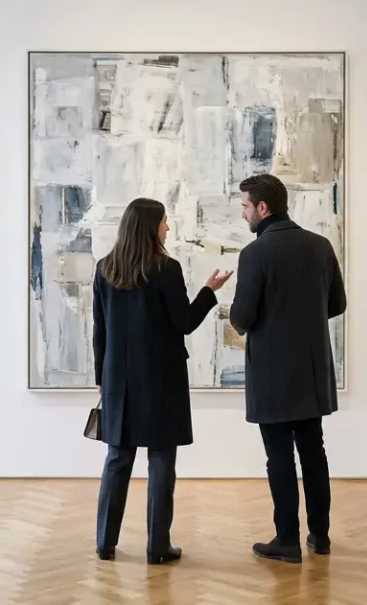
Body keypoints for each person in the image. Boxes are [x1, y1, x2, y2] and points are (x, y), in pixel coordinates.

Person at [91, 197, 232, 564]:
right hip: (161, 378)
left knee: (117, 459)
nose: (167, 228)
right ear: (150, 226)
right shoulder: (165, 269)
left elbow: (100, 332)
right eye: (164, 222)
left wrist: (101, 377)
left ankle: (105, 543)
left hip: (118, 379)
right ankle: (157, 548)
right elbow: (183, 323)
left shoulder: (105, 268)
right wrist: (208, 292)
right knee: (161, 462)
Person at [229, 173, 346, 564]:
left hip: (272, 373)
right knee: (314, 451)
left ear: (263, 208)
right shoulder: (320, 246)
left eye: (246, 206)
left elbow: (242, 318)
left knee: (278, 456)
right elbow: (337, 305)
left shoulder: (255, 254)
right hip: (312, 370)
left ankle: (287, 540)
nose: (243, 213)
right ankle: (321, 536)